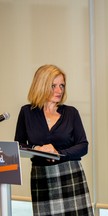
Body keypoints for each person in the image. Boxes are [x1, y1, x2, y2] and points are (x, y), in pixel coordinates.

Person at [14, 64, 94, 215]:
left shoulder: (71, 113)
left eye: (62, 85)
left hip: (70, 175)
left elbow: (83, 146)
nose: (59, 90)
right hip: (41, 176)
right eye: (53, 86)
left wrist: (58, 152)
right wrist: (36, 149)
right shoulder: (27, 112)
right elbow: (19, 144)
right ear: (41, 85)